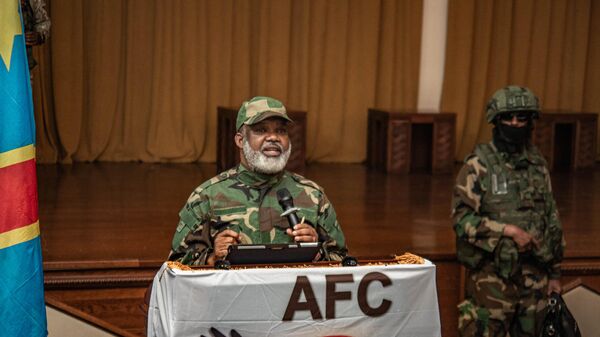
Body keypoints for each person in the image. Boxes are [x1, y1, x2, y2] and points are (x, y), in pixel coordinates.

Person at [168, 96, 347, 266]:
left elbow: (343, 260)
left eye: (281, 131)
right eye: (261, 130)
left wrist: (317, 252)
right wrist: (212, 258)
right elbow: (175, 265)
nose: (273, 137)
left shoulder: (314, 196)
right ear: (240, 140)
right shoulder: (207, 196)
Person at [452, 86, 565, 336]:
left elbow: (551, 218)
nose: (515, 123)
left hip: (535, 279)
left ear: (530, 121)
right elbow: (462, 220)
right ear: (496, 120)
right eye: (508, 117)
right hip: (493, 280)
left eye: (521, 118)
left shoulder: (538, 165)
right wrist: (508, 231)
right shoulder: (478, 165)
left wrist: (555, 274)